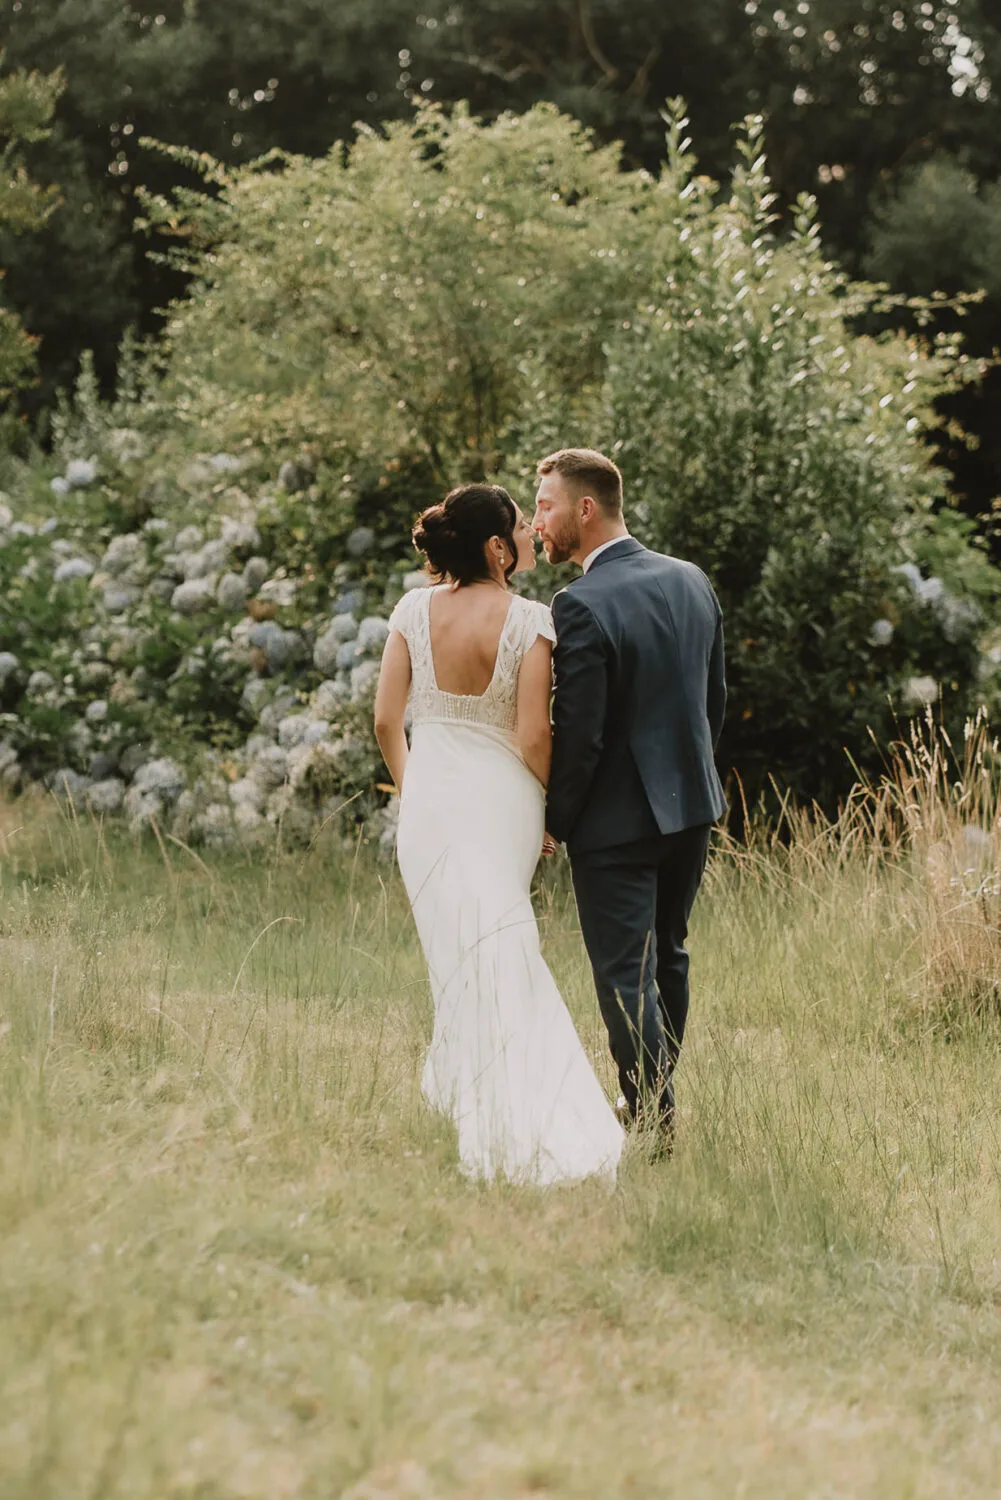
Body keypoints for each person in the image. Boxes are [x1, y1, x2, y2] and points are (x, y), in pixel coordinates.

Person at [374, 483, 624, 1186]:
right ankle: (518, 1121)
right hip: (502, 803)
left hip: (426, 809)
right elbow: (531, 735)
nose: (528, 533)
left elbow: (387, 723)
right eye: (519, 525)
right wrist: (547, 810)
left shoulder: (410, 611)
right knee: (504, 946)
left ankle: (472, 1104)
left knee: (460, 957)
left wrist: (416, 783)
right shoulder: (530, 621)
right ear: (495, 548)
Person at [533, 448, 726, 1152]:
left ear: (585, 509)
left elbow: (578, 735)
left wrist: (553, 823)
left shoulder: (578, 602)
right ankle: (651, 1097)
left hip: (616, 822)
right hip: (691, 806)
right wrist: (693, 777)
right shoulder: (689, 579)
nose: (536, 523)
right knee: (667, 956)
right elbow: (713, 702)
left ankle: (651, 1114)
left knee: (623, 974)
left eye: (545, 506)